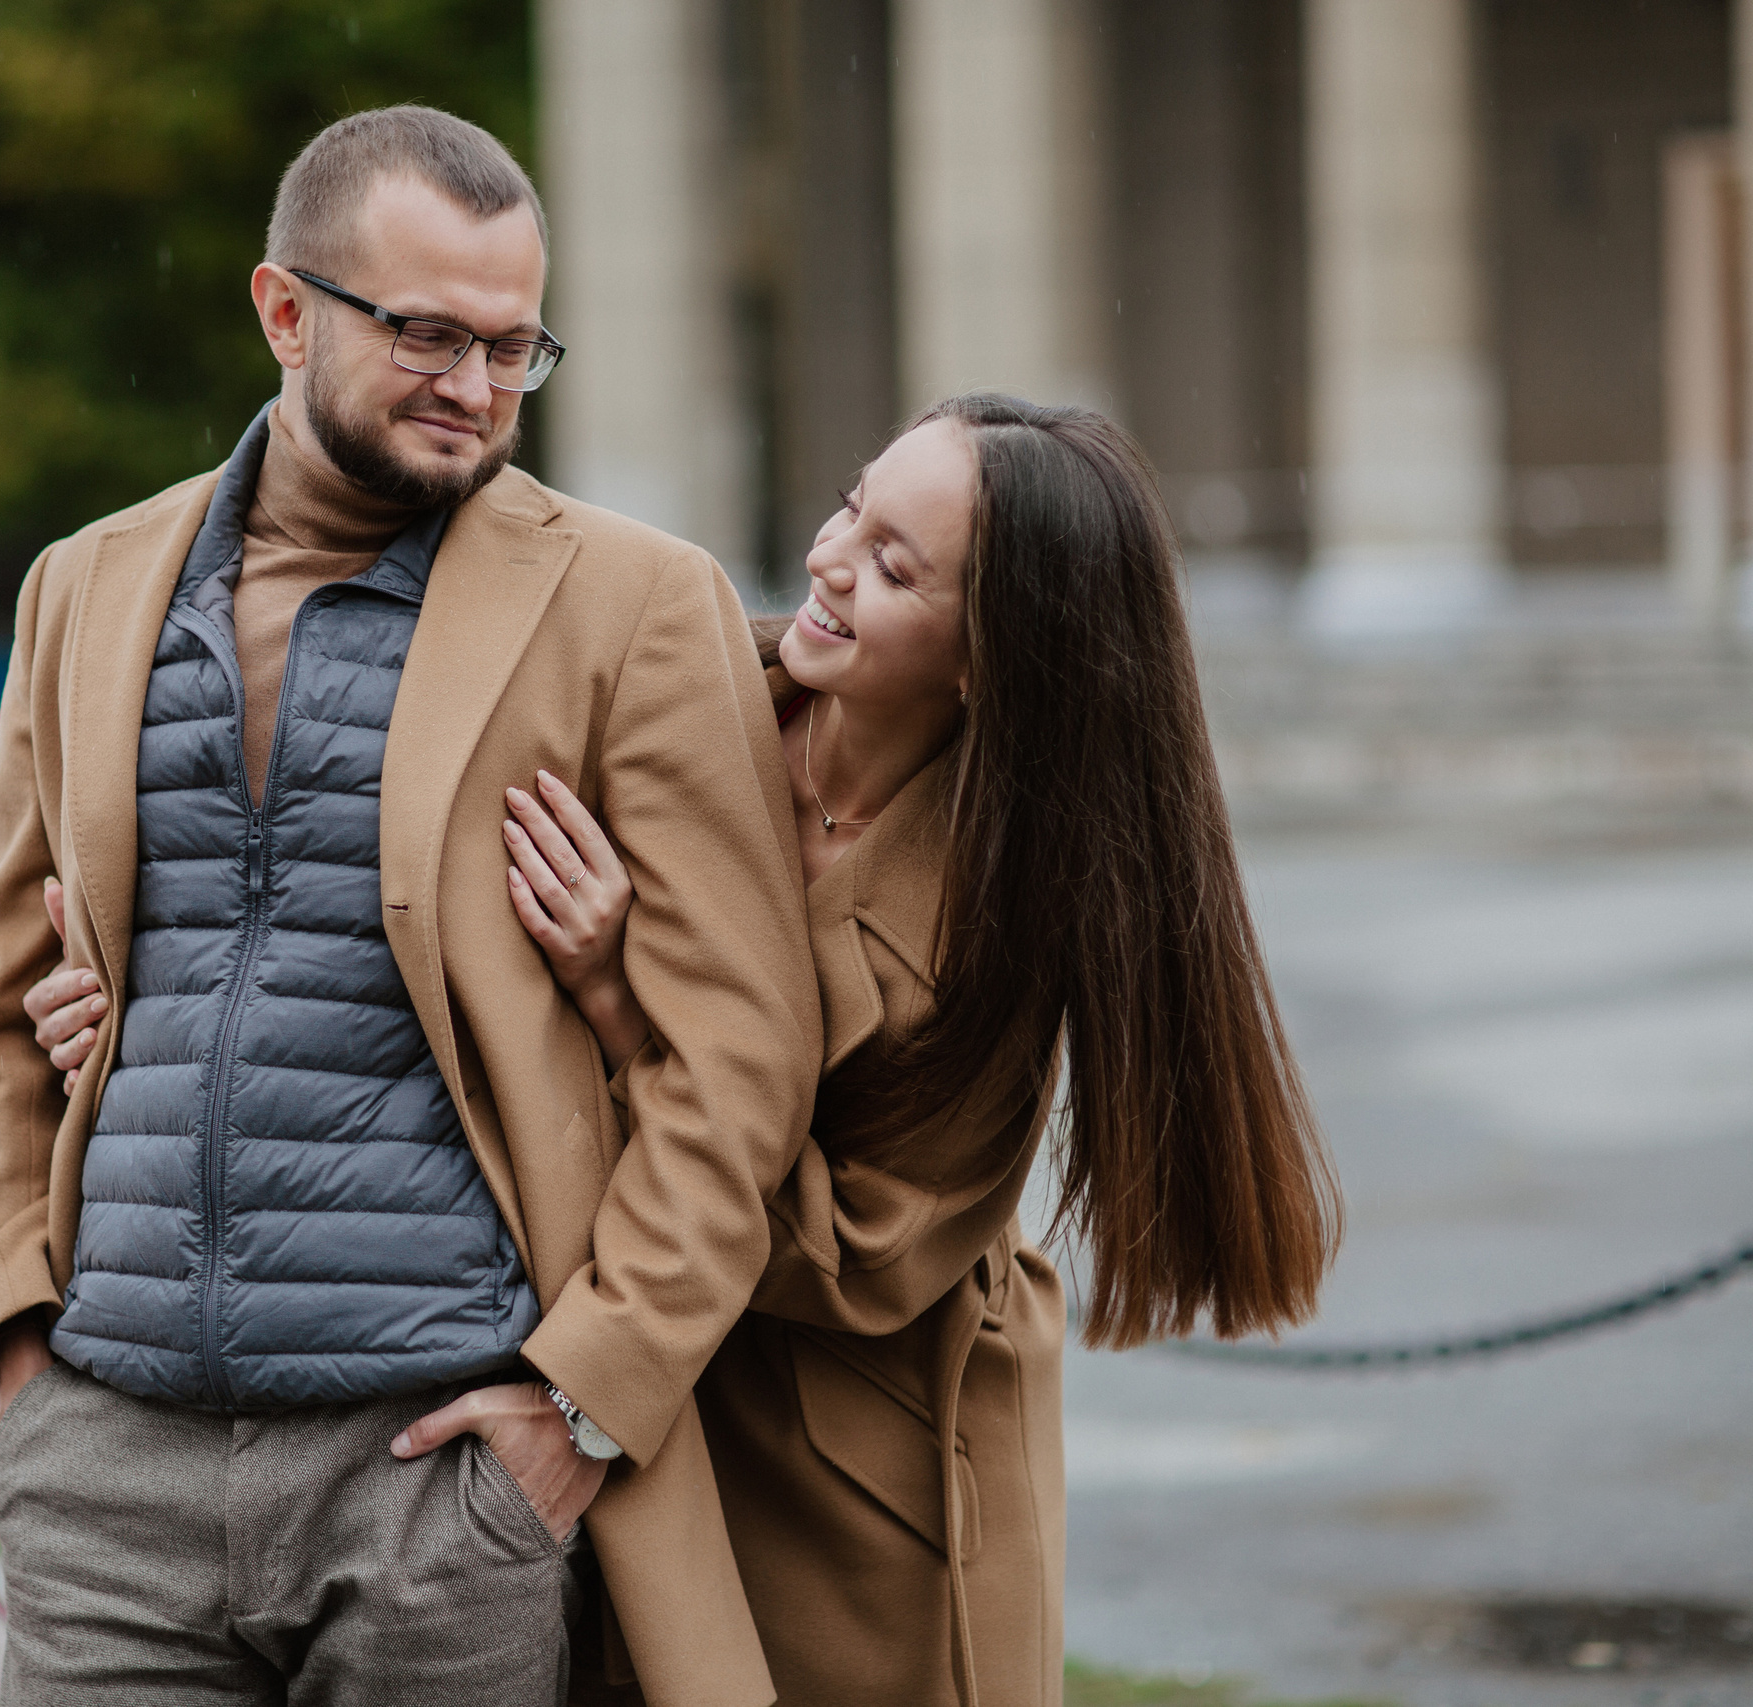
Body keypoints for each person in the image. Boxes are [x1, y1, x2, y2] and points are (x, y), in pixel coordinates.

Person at [0, 105, 822, 1707]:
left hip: (435, 1477)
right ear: (285, 311)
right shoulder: (86, 583)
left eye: (514, 348)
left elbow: (743, 1061)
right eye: (427, 334)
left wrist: (582, 1409)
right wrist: (13, 1334)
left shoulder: (634, 603)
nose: (477, 390)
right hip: (107, 1474)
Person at [480, 394, 1343, 1706]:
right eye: (849, 507)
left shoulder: (1003, 922)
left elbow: (861, 1261)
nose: (828, 560)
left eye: (895, 566)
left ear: (984, 657)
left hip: (855, 1439)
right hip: (634, 1351)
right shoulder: (687, 704)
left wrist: (619, 1001)